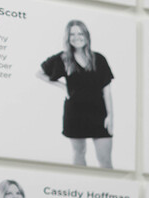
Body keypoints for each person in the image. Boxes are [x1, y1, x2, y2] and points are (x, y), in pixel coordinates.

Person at [37, 20, 114, 169]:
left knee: (105, 161)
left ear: (86, 35)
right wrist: (62, 86)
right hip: (75, 114)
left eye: (80, 33)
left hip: (99, 114)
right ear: (67, 37)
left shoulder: (99, 58)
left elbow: (107, 90)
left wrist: (110, 115)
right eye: (72, 34)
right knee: (79, 154)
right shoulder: (63, 58)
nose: (76, 37)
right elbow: (39, 73)